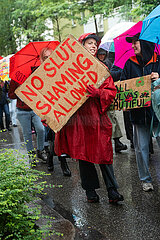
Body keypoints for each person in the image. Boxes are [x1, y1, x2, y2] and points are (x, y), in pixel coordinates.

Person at [54, 33, 124, 203]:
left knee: (103, 153)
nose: (93, 46)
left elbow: (111, 93)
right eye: (89, 43)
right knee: (84, 155)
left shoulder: (102, 69)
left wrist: (98, 92)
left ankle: (112, 190)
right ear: (81, 45)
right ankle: (90, 191)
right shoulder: (69, 70)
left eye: (95, 43)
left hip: (97, 119)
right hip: (79, 122)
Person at [120, 32, 160, 191]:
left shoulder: (158, 61)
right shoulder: (129, 64)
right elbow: (123, 86)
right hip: (138, 115)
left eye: (136, 42)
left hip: (157, 114)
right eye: (132, 42)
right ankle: (145, 180)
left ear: (146, 43)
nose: (133, 45)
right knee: (141, 149)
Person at [39, 47, 71, 177]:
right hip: (49, 111)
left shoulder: (61, 71)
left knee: (60, 137)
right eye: (46, 57)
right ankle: (62, 163)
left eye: (51, 56)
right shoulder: (39, 75)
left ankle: (51, 159)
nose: (49, 59)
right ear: (42, 59)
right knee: (54, 137)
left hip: (62, 109)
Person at [8, 70, 48, 165]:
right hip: (22, 111)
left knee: (41, 129)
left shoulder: (34, 74)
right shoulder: (15, 79)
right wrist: (19, 93)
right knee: (27, 134)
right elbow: (10, 95)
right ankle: (31, 155)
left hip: (34, 108)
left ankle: (40, 151)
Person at [97, 48, 127, 153]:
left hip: (107, 95)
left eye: (103, 54)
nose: (101, 56)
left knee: (113, 118)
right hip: (99, 97)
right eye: (100, 54)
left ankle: (117, 141)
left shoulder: (107, 63)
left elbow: (111, 76)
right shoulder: (96, 64)